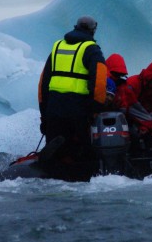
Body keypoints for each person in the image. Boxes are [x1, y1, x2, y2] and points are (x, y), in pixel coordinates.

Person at [38, 15, 107, 180]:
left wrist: (44, 114)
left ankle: (52, 174)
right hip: (78, 109)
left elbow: (43, 83)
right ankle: (83, 175)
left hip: (54, 107)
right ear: (92, 30)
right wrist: (96, 110)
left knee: (56, 147)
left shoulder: (57, 47)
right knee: (82, 148)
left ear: (76, 27)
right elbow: (99, 82)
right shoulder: (91, 49)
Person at [123, 59, 152, 133]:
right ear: (150, 77)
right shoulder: (132, 84)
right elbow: (129, 107)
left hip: (141, 124)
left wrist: (145, 127)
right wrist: (146, 123)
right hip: (125, 120)